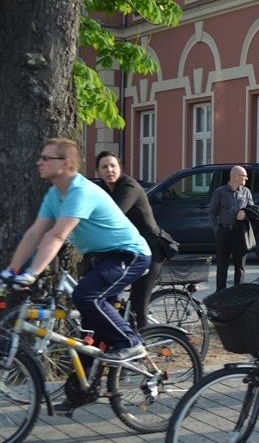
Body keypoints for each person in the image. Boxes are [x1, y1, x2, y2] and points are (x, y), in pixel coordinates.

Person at [1, 138, 151, 362]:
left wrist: (31, 273)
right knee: (89, 328)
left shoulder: (80, 191)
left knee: (86, 296)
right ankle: (86, 388)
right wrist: (12, 270)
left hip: (128, 254)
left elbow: (57, 235)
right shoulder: (55, 194)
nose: (39, 162)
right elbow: (35, 233)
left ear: (66, 163)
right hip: (100, 257)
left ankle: (131, 342)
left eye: (46, 158)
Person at [95, 151, 165, 329]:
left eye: (113, 166)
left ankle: (141, 348)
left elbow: (114, 215)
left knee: (137, 305)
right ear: (98, 171)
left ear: (120, 168)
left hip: (149, 250)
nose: (109, 170)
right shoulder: (103, 189)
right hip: (128, 250)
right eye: (104, 167)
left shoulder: (129, 187)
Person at [208, 166, 253, 291]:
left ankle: (238, 294)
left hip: (240, 233)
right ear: (235, 176)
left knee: (240, 267)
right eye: (244, 176)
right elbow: (212, 212)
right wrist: (217, 230)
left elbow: (253, 210)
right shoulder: (219, 192)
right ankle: (220, 294)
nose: (246, 178)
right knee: (222, 266)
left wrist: (246, 214)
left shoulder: (246, 192)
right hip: (224, 232)